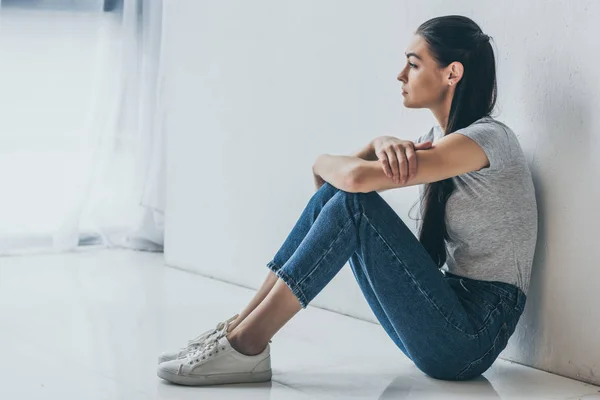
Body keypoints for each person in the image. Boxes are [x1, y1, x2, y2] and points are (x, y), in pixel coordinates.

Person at [157, 14, 537, 386]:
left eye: (413, 64)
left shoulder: (486, 139)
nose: (401, 76)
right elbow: (327, 184)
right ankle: (239, 328)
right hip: (448, 316)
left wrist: (359, 152)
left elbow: (352, 178)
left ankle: (247, 344)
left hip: (470, 336)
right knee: (338, 199)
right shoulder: (435, 139)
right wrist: (375, 145)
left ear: (452, 73)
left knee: (355, 205)